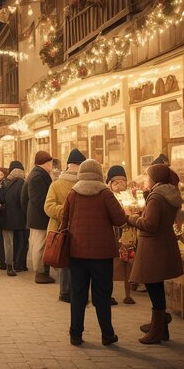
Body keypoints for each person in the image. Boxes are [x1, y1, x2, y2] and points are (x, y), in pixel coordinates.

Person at [64, 159, 126, 347]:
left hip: (77, 251)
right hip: (102, 254)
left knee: (78, 294)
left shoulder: (73, 193)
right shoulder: (105, 193)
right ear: (99, 173)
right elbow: (119, 218)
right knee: (103, 295)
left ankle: (75, 334)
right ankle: (107, 334)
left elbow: (63, 217)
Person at [127, 163, 183, 344]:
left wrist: (133, 218)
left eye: (147, 176)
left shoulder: (156, 198)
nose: (145, 179)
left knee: (152, 284)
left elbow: (150, 224)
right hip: (164, 242)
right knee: (156, 283)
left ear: (155, 179)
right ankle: (160, 324)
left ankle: (158, 328)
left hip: (153, 246)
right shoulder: (169, 194)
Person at [44, 148, 86, 302]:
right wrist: (63, 211)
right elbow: (48, 206)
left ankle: (73, 292)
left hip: (80, 228)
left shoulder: (85, 184)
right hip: (62, 227)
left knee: (75, 261)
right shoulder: (57, 184)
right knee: (64, 260)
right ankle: (65, 292)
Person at [21, 150, 54, 284]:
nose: (52, 165)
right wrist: (49, 210)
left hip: (36, 217)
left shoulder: (36, 174)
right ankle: (40, 273)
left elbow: (24, 198)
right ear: (46, 163)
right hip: (39, 217)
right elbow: (38, 200)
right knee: (39, 246)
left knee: (39, 245)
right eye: (51, 162)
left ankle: (43, 271)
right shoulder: (38, 177)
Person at [107, 165, 137, 305]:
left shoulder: (130, 196)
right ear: (109, 183)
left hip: (127, 234)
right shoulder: (107, 196)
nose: (120, 184)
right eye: (116, 182)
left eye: (122, 181)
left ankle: (128, 294)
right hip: (112, 235)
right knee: (111, 265)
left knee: (127, 263)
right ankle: (109, 294)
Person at [0, 161, 26, 276]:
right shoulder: (23, 183)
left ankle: (9, 266)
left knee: (8, 242)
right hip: (20, 217)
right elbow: (24, 200)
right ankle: (18, 264)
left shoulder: (4, 182)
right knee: (21, 241)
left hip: (6, 217)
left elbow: (0, 199)